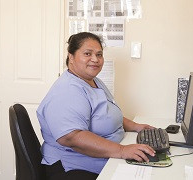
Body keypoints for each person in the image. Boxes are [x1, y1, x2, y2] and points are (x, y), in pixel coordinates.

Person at [37, 32, 156, 180]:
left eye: (99, 55)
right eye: (87, 53)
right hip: (73, 167)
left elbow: (106, 114)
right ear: (71, 56)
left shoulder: (93, 81)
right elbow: (72, 137)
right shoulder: (67, 90)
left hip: (102, 159)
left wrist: (135, 126)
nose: (95, 59)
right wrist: (122, 150)